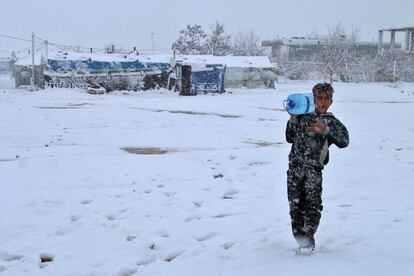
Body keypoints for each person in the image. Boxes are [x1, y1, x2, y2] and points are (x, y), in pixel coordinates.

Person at [285, 82, 349, 251]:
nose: (322, 101)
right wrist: (293, 118)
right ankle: (300, 239)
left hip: (314, 170)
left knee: (312, 205)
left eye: (326, 98)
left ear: (331, 101)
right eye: (319, 98)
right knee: (295, 206)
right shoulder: (303, 117)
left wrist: (326, 131)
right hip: (295, 169)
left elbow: (344, 141)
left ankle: (309, 236)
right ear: (313, 99)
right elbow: (289, 137)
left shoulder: (331, 121)